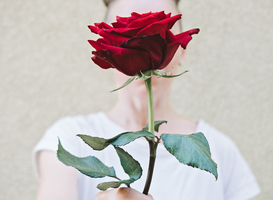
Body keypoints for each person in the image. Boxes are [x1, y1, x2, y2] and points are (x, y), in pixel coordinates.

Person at [33, 0, 261, 199]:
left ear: (182, 51)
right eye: (131, 38)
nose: (143, 45)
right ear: (109, 53)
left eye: (160, 37)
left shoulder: (220, 150)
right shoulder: (68, 138)